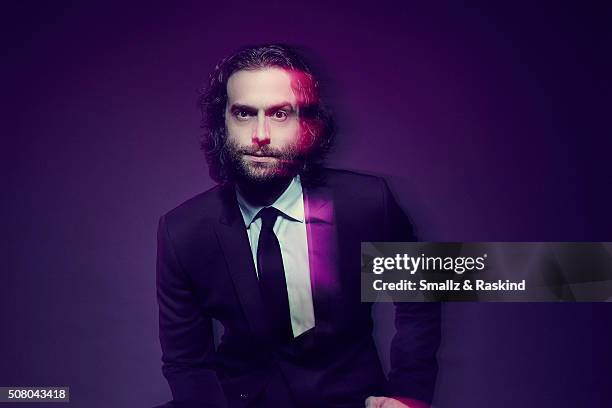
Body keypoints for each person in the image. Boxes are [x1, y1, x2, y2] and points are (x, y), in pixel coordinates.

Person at [156, 44, 441, 408]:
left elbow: (422, 295)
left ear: (307, 125)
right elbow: (186, 363)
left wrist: (408, 394)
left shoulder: (367, 203)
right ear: (222, 123)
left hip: (351, 400)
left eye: (279, 114)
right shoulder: (182, 231)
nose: (260, 134)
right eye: (244, 113)